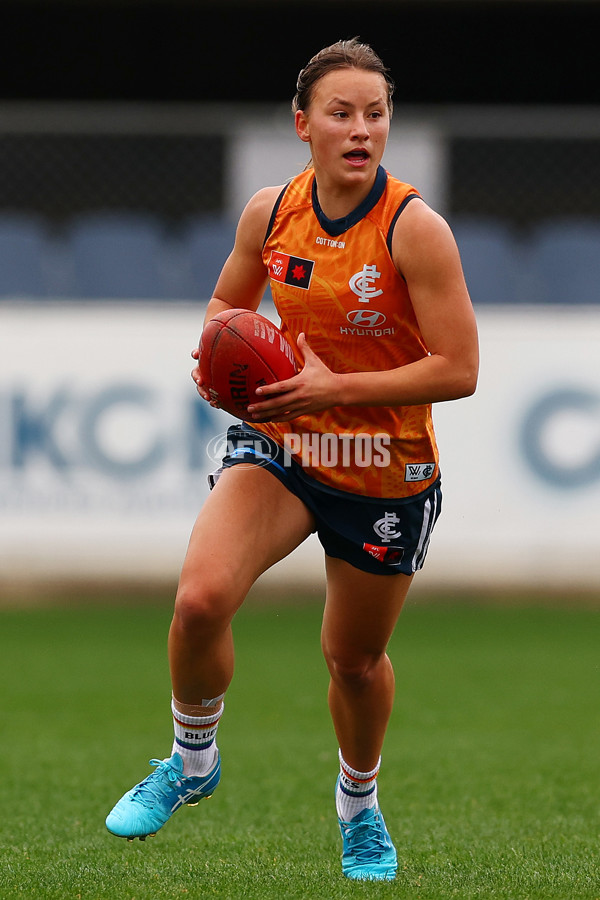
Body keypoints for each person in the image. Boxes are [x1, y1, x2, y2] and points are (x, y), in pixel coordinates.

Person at [105, 37, 479, 882]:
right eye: (341, 114)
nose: (362, 130)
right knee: (200, 600)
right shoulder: (270, 213)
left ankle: (359, 807)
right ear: (302, 124)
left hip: (383, 462)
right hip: (282, 442)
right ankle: (190, 760)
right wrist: (217, 362)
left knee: (352, 661)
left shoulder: (415, 229)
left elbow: (461, 369)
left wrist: (331, 389)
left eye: (376, 114)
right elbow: (225, 308)